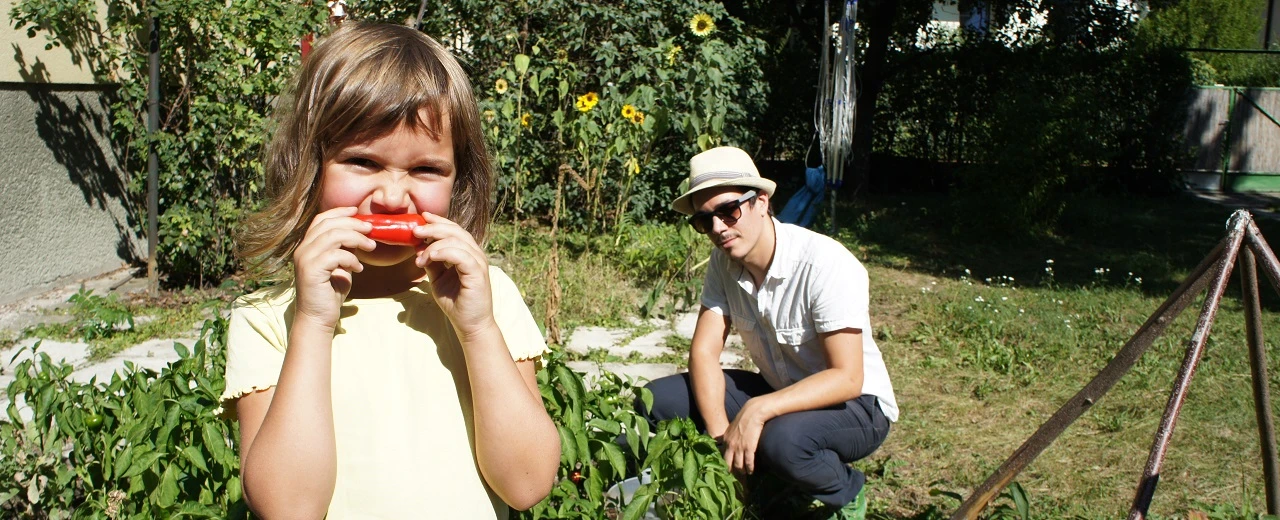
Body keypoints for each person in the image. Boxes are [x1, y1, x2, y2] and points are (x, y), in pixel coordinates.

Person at [219, 22, 559, 520]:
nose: (393, 198)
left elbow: (527, 483)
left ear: (458, 178)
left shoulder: (488, 299)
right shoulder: (269, 320)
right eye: (362, 161)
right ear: (309, 166)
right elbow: (288, 508)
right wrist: (312, 323)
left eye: (425, 170)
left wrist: (478, 328)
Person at [639, 146, 898, 519]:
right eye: (703, 220)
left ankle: (844, 491)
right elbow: (704, 352)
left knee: (784, 441)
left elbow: (848, 378)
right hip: (784, 390)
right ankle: (757, 479)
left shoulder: (824, 263)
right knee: (658, 399)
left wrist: (758, 410)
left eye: (729, 211)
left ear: (762, 202)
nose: (717, 228)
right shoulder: (724, 262)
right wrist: (720, 440)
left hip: (858, 407)